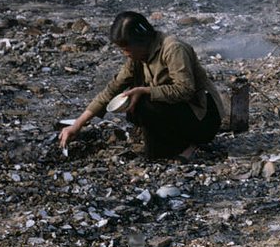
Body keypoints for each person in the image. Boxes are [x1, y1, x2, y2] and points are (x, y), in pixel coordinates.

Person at [59, 11, 224, 161]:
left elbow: (185, 90)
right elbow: (112, 89)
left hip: (203, 118)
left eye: (126, 49)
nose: (125, 54)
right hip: (177, 111)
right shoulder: (137, 58)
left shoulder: (173, 49)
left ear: (141, 42)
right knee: (134, 108)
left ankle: (190, 144)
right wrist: (77, 125)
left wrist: (144, 90)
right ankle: (171, 143)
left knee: (144, 103)